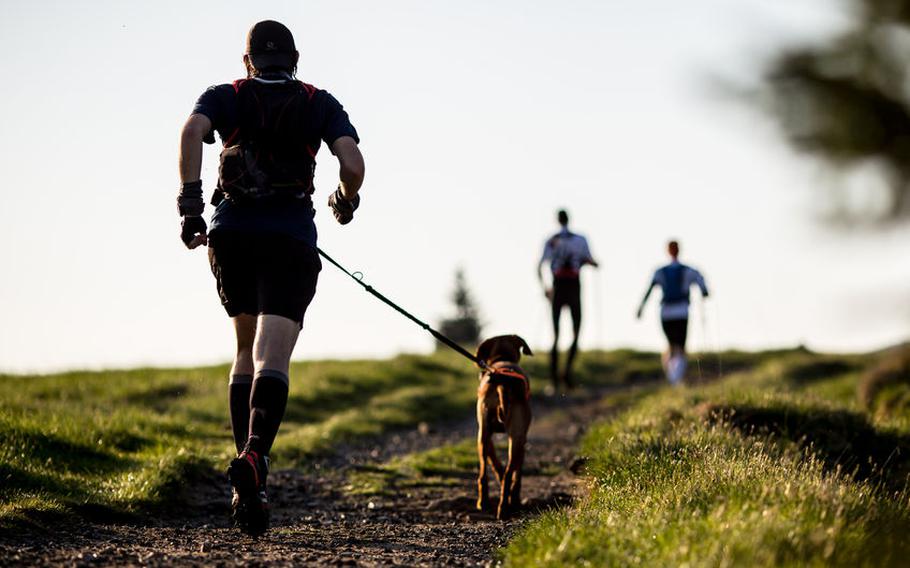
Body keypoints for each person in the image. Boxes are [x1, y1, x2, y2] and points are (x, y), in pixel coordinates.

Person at [177, 20, 364, 535]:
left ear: (248, 60)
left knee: (244, 351)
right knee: (272, 356)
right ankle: (256, 457)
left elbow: (192, 132)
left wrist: (191, 206)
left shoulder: (227, 95)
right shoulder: (318, 102)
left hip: (232, 234)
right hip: (289, 240)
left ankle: (249, 483)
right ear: (296, 59)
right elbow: (352, 161)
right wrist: (344, 202)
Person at [537, 209, 598, 392]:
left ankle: (555, 379)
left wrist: (545, 288)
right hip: (573, 284)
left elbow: (540, 266)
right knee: (576, 330)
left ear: (557, 220)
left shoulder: (551, 240)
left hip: (557, 286)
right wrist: (592, 264)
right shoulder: (580, 239)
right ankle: (566, 375)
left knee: (555, 334)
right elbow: (589, 260)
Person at [636, 240, 708, 385]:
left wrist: (641, 308)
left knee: (671, 344)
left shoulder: (660, 271)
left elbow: (649, 290)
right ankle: (676, 378)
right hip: (681, 310)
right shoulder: (689, 270)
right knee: (680, 345)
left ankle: (673, 377)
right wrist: (704, 292)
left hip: (666, 312)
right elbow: (703, 287)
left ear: (668, 251)